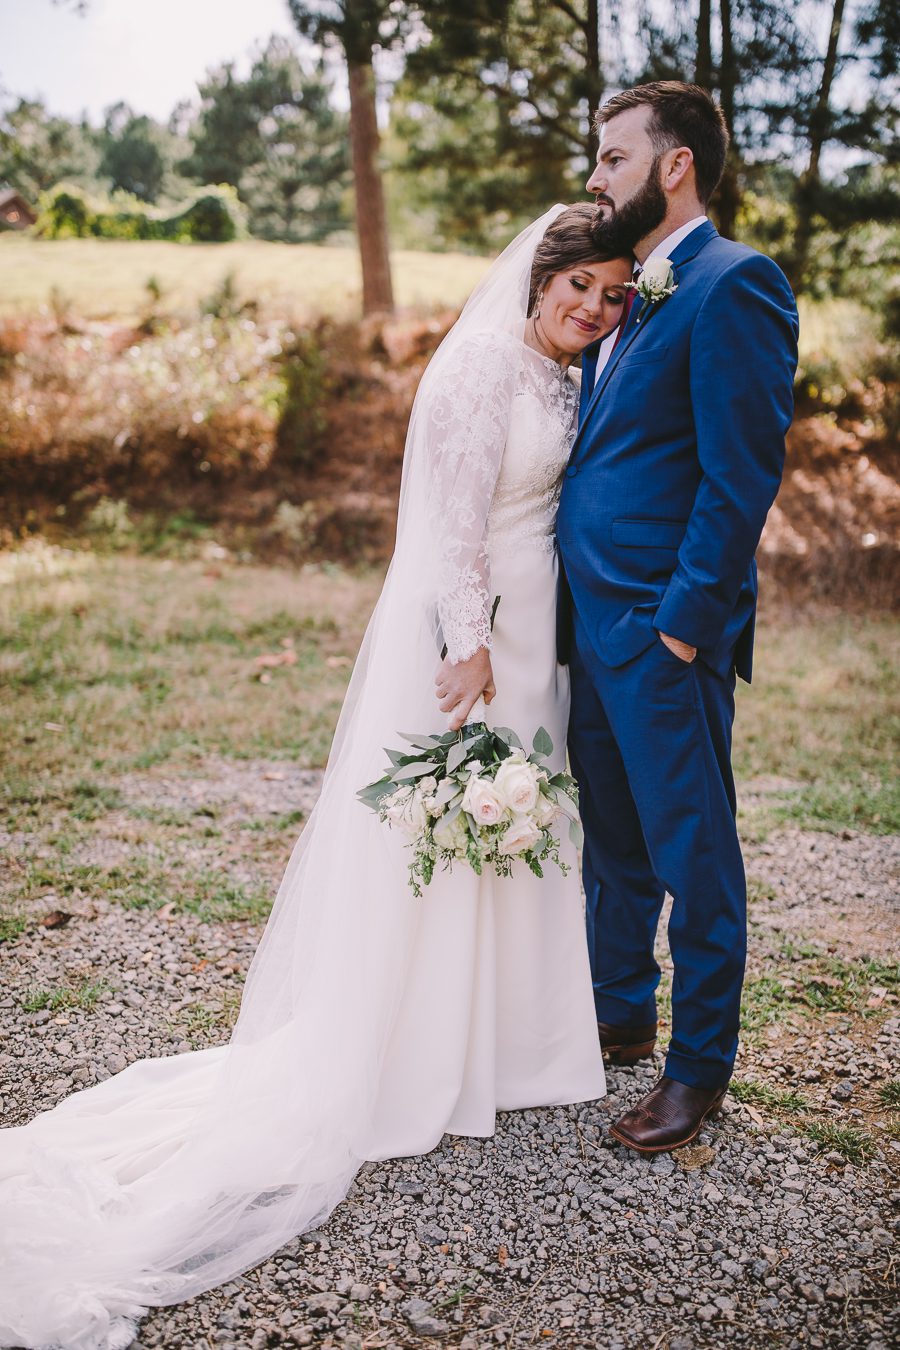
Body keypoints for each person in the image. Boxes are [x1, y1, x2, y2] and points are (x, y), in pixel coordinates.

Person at [0, 206, 632, 1350]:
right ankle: (416, 1052)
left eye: (612, 294)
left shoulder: (563, 372)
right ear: (539, 278)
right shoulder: (481, 367)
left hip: (537, 627)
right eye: (579, 285)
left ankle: (498, 1045)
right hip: (477, 631)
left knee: (509, 826)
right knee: (447, 825)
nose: (593, 307)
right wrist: (469, 641)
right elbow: (451, 520)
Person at [557, 81, 799, 1153]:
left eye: (613, 157)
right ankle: (617, 1014)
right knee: (612, 840)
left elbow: (740, 476)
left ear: (674, 165)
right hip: (589, 622)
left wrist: (685, 624)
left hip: (663, 627)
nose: (596, 176)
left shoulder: (736, 283)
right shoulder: (631, 290)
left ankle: (698, 1068)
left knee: (692, 849)